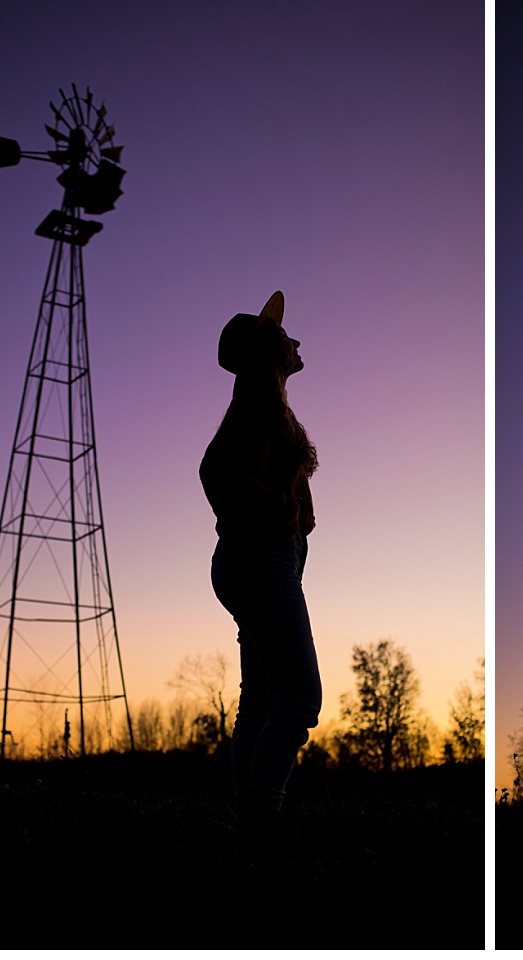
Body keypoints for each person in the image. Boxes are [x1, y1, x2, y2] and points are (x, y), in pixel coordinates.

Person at [200, 290, 322, 826]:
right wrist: (279, 517)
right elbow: (215, 470)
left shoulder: (264, 403)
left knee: (262, 699)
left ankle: (246, 817)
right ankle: (260, 816)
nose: (296, 342)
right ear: (271, 351)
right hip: (262, 560)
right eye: (285, 336)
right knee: (298, 698)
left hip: (255, 560)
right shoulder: (255, 406)